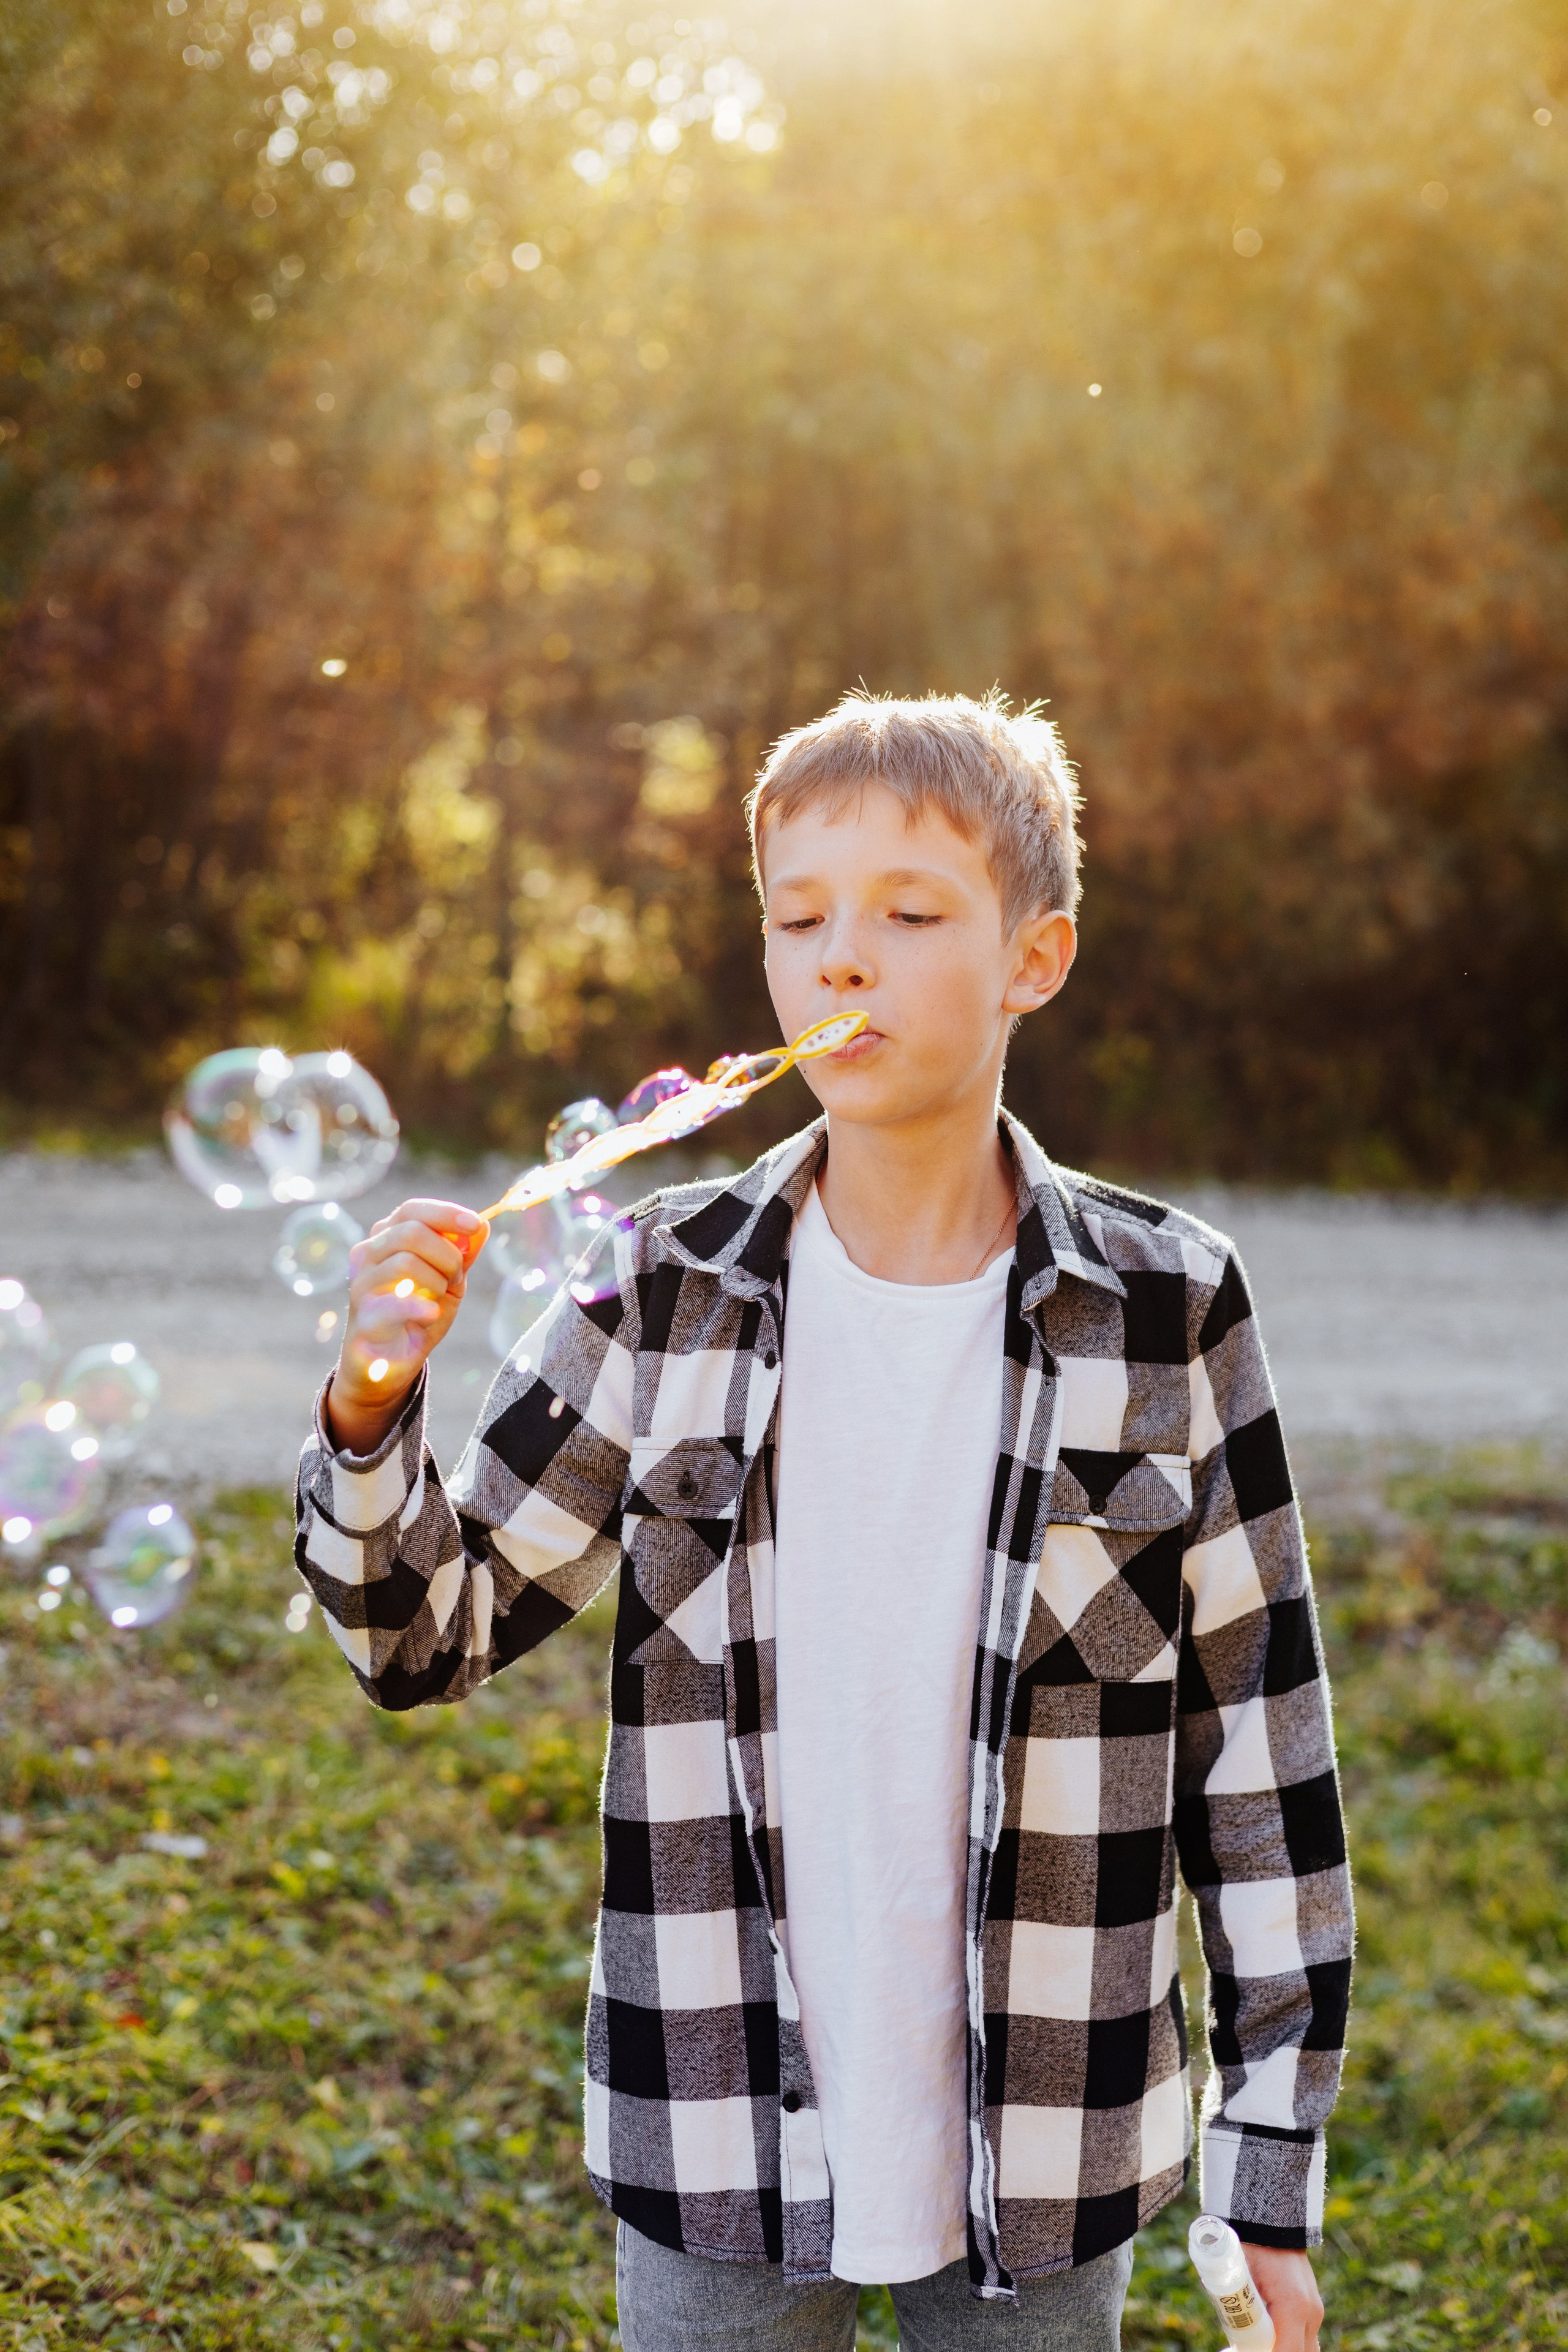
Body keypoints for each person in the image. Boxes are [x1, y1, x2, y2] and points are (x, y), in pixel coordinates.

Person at [296, 690, 1351, 2352]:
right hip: (715, 2117)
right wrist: (372, 1411)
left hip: (1049, 2141)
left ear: (1035, 957)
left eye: (910, 915)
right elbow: (418, 1634)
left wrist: (1269, 2168)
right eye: (802, 920)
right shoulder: (664, 1290)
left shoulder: (1171, 1309)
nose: (840, 960)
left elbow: (1263, 1766)